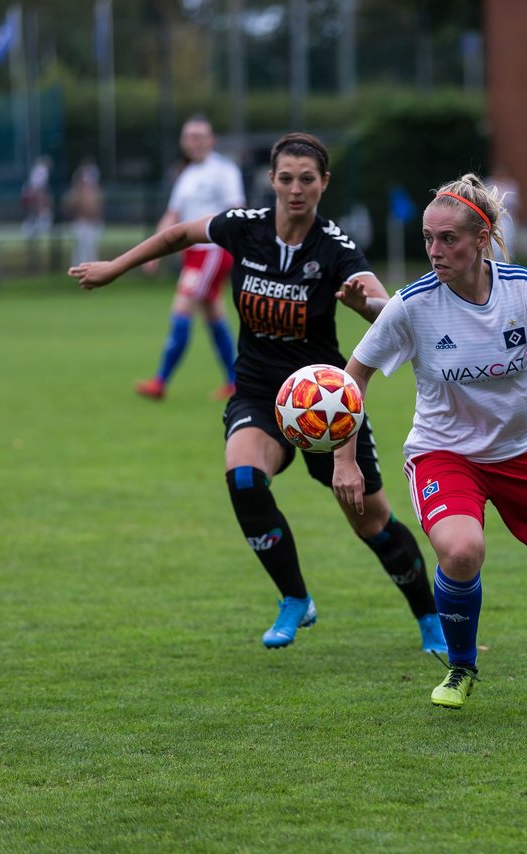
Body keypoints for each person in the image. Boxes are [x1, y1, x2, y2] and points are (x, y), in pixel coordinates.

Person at [68, 131, 447, 656]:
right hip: (258, 394)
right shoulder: (244, 228)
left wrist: (364, 304)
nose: (296, 189)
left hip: (325, 406)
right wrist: (115, 266)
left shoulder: (334, 247)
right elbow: (179, 235)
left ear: (323, 184)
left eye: (307, 180)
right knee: (243, 479)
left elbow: (389, 311)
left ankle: (430, 619)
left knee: (373, 523)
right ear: (271, 180)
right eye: (286, 178)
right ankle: (295, 598)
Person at [332, 173, 527, 709]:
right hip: (443, 453)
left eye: (447, 238)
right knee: (461, 549)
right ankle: (461, 668)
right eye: (428, 238)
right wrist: (345, 459)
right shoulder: (413, 304)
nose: (434, 250)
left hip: (522, 451)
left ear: (482, 238)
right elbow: (351, 376)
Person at [135, 115, 245, 401]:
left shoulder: (224, 171)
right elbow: (172, 215)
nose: (194, 142)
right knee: (212, 314)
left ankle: (160, 381)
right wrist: (153, 251)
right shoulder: (185, 175)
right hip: (193, 254)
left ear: (212, 140)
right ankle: (236, 380)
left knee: (182, 307)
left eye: (200, 136)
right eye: (190, 137)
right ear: (183, 142)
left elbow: (237, 212)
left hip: (212, 251)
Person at [65, 157, 105, 267]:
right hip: (81, 222)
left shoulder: (96, 191)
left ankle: (92, 271)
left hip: (93, 223)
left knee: (91, 249)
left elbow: (98, 208)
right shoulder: (76, 191)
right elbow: (69, 206)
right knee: (80, 250)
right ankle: (79, 271)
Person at [485, 163, 520, 261]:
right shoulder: (488, 183)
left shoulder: (511, 185)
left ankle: (505, 263)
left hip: (506, 219)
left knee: (507, 242)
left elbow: (515, 203)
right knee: (493, 244)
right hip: (492, 218)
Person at [20, 155, 54, 238]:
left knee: (35, 212)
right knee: (40, 210)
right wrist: (41, 197)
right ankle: (37, 228)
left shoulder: (37, 168)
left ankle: (31, 228)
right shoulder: (42, 169)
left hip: (29, 191)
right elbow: (38, 185)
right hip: (33, 192)